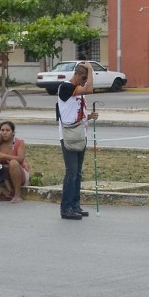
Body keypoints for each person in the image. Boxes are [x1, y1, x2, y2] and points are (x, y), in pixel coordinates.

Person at [56, 61, 98, 219]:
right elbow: (89, 89)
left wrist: (89, 117)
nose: (85, 82)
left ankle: (75, 205)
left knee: (78, 173)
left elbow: (74, 112)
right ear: (78, 75)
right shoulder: (65, 87)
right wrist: (91, 69)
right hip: (69, 135)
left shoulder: (78, 92)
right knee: (71, 172)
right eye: (84, 78)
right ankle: (65, 208)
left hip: (80, 133)